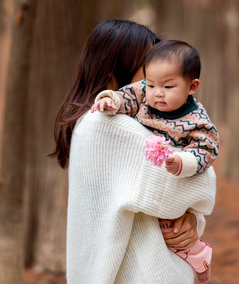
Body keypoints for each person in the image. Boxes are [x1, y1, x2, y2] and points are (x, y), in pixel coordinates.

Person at [52, 20, 216, 284]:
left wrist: (189, 218)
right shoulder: (106, 125)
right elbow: (202, 184)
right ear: (112, 73)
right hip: (140, 271)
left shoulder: (92, 122)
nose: (155, 84)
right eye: (147, 72)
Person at [92, 39, 219, 283]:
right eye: (151, 84)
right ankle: (196, 253)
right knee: (161, 226)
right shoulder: (144, 92)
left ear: (192, 86)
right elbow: (126, 97)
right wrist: (110, 101)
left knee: (172, 226)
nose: (157, 93)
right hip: (146, 171)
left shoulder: (196, 119)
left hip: (173, 169)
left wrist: (184, 162)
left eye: (168, 87)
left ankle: (196, 253)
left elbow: (207, 148)